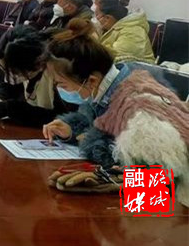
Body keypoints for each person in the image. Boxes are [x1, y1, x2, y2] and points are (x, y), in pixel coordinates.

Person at [42, 19, 189, 206]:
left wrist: (109, 177)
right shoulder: (109, 89)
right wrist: (72, 130)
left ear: (92, 80)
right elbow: (99, 128)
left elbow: (165, 183)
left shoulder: (139, 110)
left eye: (62, 84)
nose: (60, 90)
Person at [0, 25, 75, 126]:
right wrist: (0, 97)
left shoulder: (57, 73)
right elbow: (11, 85)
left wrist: (9, 109)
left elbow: (63, 118)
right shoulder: (28, 65)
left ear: (36, 65)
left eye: (14, 71)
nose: (10, 76)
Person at [96, 0, 155, 64]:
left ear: (107, 18)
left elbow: (120, 59)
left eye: (98, 16)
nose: (98, 20)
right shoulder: (115, 27)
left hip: (137, 68)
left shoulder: (132, 32)